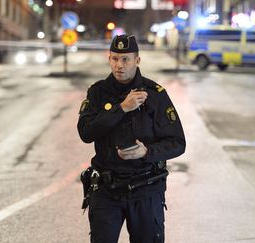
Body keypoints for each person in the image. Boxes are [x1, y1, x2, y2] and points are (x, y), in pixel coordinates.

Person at [77, 34, 186, 243]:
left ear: (137, 60)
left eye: (126, 59)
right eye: (115, 58)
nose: (119, 65)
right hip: (106, 190)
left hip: (145, 188)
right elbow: (86, 133)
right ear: (109, 59)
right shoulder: (97, 93)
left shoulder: (155, 94)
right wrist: (122, 109)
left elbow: (177, 143)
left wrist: (147, 152)